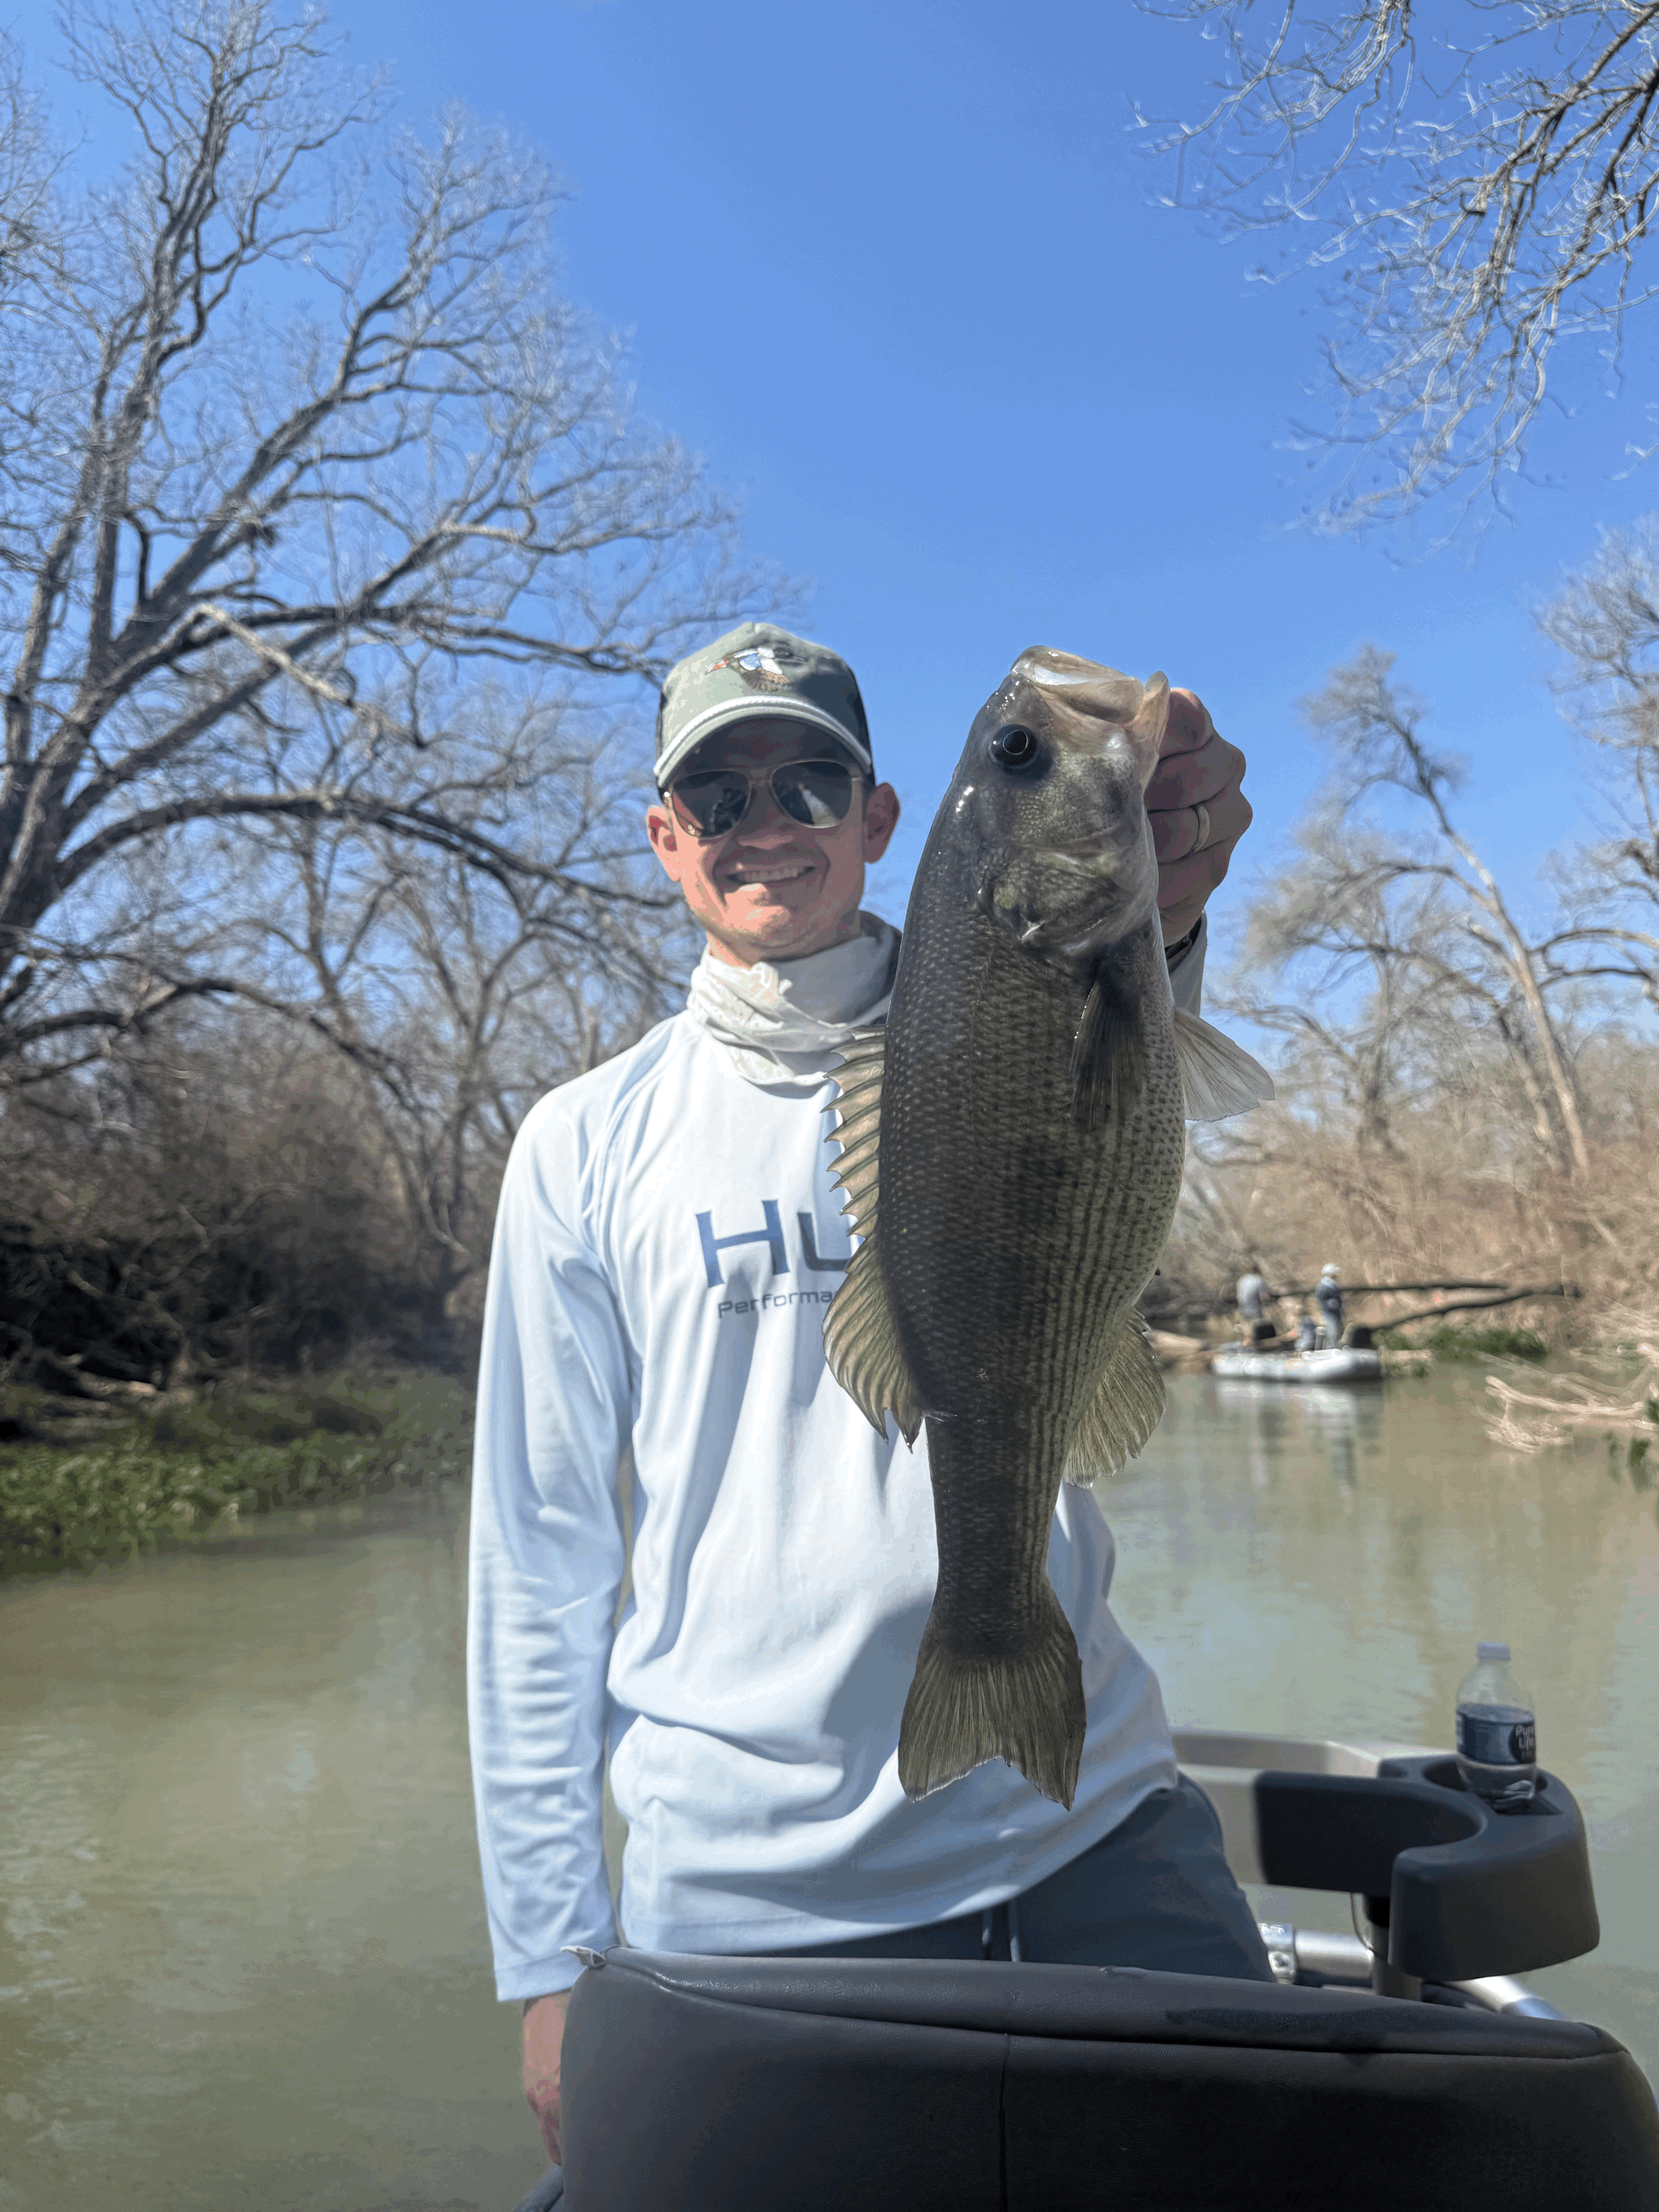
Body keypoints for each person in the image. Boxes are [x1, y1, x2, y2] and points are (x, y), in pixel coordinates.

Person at [467, 623, 1263, 2168]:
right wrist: (549, 1954)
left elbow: (1102, 1014)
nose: (767, 821)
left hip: (1088, 1813)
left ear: (881, 821)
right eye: (721, 793)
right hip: (742, 1891)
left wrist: (1162, 899)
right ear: (667, 838)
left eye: (809, 780)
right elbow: (536, 1558)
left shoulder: (1012, 985)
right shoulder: (582, 1141)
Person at [1235, 1265, 1275, 1346]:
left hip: (1242, 1310)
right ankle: (1257, 1348)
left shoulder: (1241, 1280)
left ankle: (1246, 1347)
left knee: (1247, 1332)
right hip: (1255, 1310)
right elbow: (1263, 1297)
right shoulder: (1259, 1280)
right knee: (1256, 1332)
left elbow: (1238, 1296)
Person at [1315, 1263, 1344, 1347]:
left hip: (1336, 1314)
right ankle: (1331, 1351)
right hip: (1329, 1314)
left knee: (1338, 1334)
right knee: (1332, 1334)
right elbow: (1323, 1299)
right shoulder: (1323, 1286)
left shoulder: (1332, 1285)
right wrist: (1332, 1303)